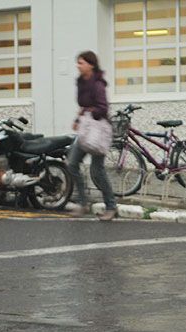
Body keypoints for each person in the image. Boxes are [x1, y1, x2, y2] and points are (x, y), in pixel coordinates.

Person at [68, 50, 117, 221]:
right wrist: (78, 118)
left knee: (97, 171)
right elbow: (83, 104)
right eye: (78, 62)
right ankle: (83, 203)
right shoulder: (81, 82)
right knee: (72, 163)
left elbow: (103, 108)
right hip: (85, 129)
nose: (78, 65)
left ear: (91, 64)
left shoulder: (98, 83)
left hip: (97, 130)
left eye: (81, 62)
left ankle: (111, 207)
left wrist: (90, 113)